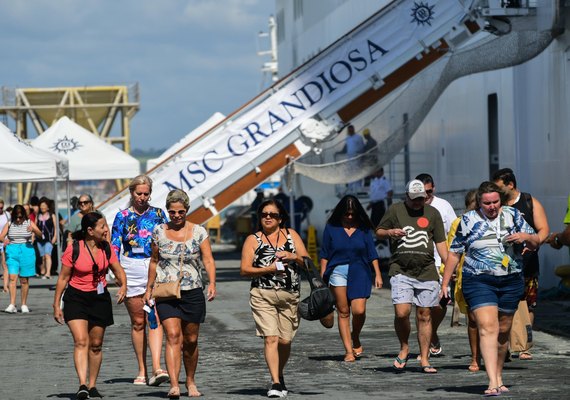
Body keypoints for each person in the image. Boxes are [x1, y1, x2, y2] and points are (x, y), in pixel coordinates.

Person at [441, 181, 540, 396]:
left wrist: (526, 237)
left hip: (510, 280)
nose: (492, 207)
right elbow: (454, 253)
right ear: (479, 203)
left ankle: (499, 375)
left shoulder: (513, 216)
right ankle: (492, 381)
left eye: (495, 202)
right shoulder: (467, 221)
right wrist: (445, 283)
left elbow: (535, 242)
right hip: (478, 280)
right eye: (487, 203)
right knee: (487, 326)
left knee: (503, 330)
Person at [144, 189, 217, 398]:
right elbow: (154, 261)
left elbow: (208, 259)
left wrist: (212, 283)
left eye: (180, 212)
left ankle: (191, 381)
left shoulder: (199, 231)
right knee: (173, 336)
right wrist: (149, 288)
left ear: (187, 210)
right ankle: (174, 384)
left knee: (191, 339)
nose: (176, 216)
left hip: (192, 290)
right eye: (172, 212)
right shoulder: (158, 231)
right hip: (166, 291)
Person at [375, 179, 448, 374]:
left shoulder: (433, 213)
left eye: (421, 199)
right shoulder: (395, 210)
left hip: (427, 270)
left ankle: (424, 358)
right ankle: (404, 346)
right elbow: (379, 231)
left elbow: (441, 243)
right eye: (414, 199)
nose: (417, 203)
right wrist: (390, 232)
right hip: (400, 269)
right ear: (406, 196)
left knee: (425, 315)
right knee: (402, 312)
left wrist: (450, 267)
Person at [53, 211, 127, 400]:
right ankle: (82, 384)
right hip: (76, 298)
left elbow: (118, 271)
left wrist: (123, 286)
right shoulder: (74, 248)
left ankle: (93, 385)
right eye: (102, 226)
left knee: (95, 345)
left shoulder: (106, 248)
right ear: (90, 230)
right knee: (81, 341)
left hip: (99, 298)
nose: (106, 230)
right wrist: (56, 304)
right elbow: (63, 278)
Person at [240, 199, 309, 398]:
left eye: (273, 215)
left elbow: (307, 263)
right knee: (271, 338)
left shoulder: (291, 235)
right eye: (264, 214)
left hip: (290, 295)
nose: (268, 217)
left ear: (281, 218)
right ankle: (276, 383)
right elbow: (244, 270)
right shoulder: (253, 239)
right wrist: (269, 269)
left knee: (285, 341)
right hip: (262, 294)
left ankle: (278, 372)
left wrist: (293, 256)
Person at [111, 175, 169, 386]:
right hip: (131, 268)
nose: (143, 197)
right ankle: (142, 370)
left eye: (146, 193)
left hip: (155, 267)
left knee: (154, 317)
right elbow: (114, 245)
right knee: (137, 322)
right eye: (139, 193)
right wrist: (117, 274)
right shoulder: (122, 216)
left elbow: (166, 241)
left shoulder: (158, 214)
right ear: (131, 193)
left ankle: (157, 367)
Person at [492, 168, 549, 360]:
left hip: (527, 264)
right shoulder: (495, 205)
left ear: (511, 185)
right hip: (501, 266)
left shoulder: (529, 202)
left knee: (528, 304)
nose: (497, 192)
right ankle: (505, 345)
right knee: (502, 306)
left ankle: (524, 345)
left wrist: (532, 244)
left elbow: (543, 231)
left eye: (500, 188)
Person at [320, 195, 382, 362]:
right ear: (340, 212)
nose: (349, 217)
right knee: (344, 312)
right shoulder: (331, 227)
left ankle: (355, 336)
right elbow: (324, 253)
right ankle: (348, 351)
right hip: (337, 271)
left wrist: (377, 273)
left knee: (359, 311)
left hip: (360, 270)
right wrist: (322, 276)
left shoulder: (363, 229)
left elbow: (372, 253)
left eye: (352, 214)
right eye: (346, 213)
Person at [414, 173, 457, 356]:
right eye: (423, 193)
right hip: (418, 262)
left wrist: (453, 264)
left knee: (440, 305)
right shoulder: (411, 207)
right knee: (422, 307)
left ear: (434, 189)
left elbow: (455, 233)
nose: (426, 196)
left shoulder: (443, 206)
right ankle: (424, 347)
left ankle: (432, 332)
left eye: (429, 192)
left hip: (441, 262)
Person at [445, 189, 481, 371]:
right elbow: (452, 249)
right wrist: (447, 274)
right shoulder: (459, 223)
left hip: (493, 274)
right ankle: (475, 357)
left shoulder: (496, 220)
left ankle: (496, 351)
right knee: (473, 319)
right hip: (467, 275)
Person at [0, 204, 42, 313]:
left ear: (24, 215)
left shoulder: (29, 222)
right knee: (12, 278)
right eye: (16, 217)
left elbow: (40, 235)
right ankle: (12, 304)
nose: (18, 219)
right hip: (12, 251)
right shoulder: (10, 223)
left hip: (26, 250)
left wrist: (33, 230)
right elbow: (1, 236)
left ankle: (24, 304)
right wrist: (4, 240)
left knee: (24, 280)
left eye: (20, 217)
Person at [335, 124, 365, 194]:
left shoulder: (358, 137)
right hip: (350, 159)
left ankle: (359, 189)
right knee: (350, 173)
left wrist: (360, 155)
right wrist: (339, 152)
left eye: (351, 130)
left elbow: (362, 147)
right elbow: (346, 148)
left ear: (353, 130)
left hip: (357, 159)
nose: (350, 131)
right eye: (349, 130)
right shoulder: (347, 138)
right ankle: (350, 189)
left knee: (357, 173)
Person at [36, 197, 57, 279]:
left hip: (49, 239)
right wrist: (33, 236)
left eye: (44, 205)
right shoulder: (38, 216)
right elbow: (35, 227)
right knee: (43, 256)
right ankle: (44, 272)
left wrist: (55, 237)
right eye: (41, 206)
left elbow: (56, 227)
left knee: (48, 255)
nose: (42, 207)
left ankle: (48, 273)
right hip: (40, 240)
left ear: (48, 207)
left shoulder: (52, 215)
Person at [0, 198, 10, 292]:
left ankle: (5, 286)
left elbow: (10, 226)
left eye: (1, 207)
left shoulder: (7, 214)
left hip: (4, 241)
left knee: (4, 264)